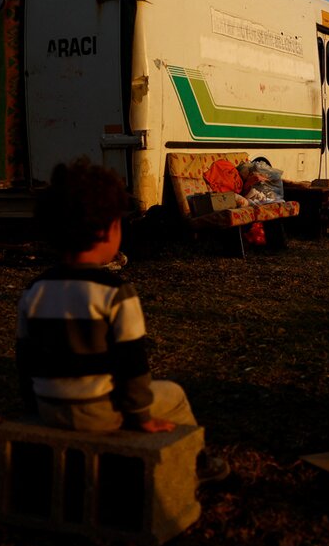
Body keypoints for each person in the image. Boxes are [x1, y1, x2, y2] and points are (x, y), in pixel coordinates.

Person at [16, 158, 228, 479]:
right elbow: (132, 362)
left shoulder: (35, 290)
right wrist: (141, 415)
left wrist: (34, 407)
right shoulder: (116, 292)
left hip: (48, 409)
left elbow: (25, 359)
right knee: (174, 395)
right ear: (107, 230)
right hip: (100, 413)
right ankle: (197, 464)